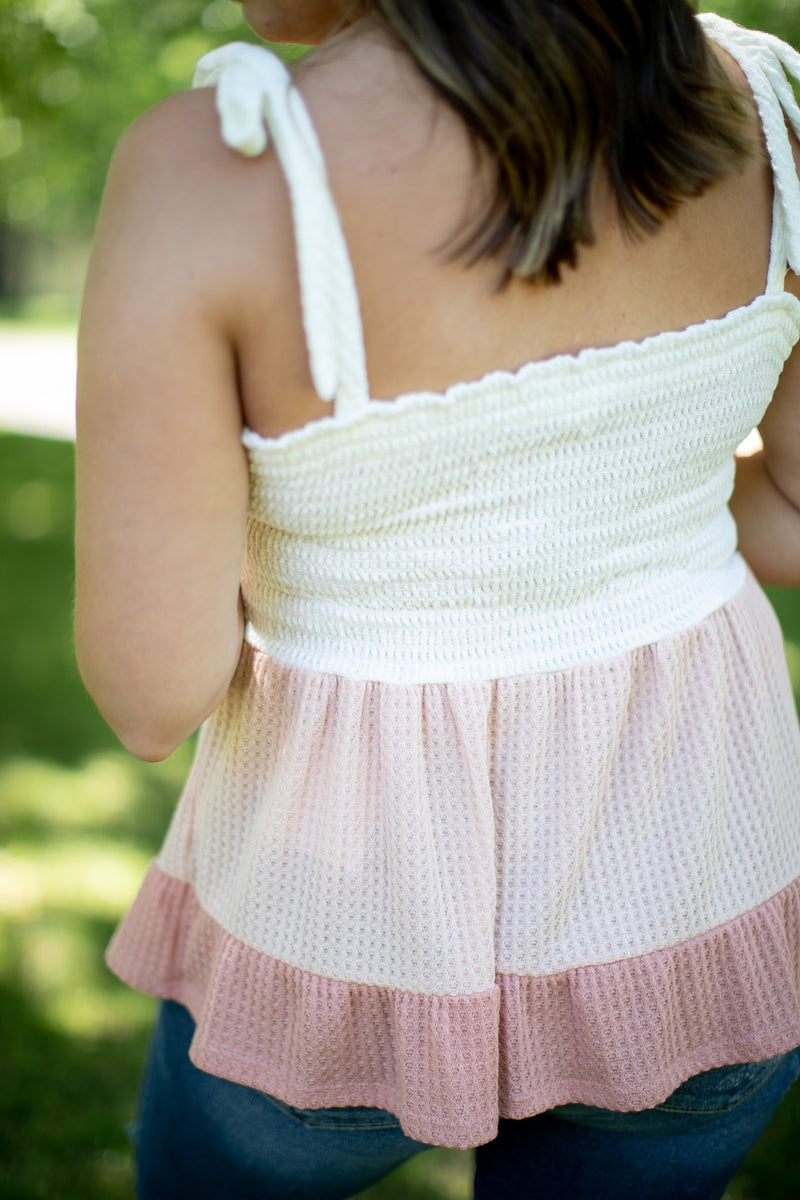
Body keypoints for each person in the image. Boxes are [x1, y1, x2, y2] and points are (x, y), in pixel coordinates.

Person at [74, 1, 800, 1197]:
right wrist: (602, 509)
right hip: (698, 884)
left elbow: (153, 695)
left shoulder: (222, 169)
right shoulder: (761, 108)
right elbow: (785, 518)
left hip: (346, 917)